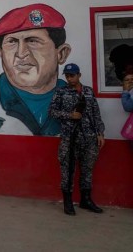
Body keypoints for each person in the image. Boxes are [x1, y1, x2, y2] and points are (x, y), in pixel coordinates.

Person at [0, 3, 71, 136]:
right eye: (12, 42)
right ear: (1, 53)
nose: (21, 53)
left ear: (61, 54)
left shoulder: (71, 96)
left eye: (33, 41)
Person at [49, 63, 105, 216]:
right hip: (70, 138)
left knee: (87, 169)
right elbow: (52, 112)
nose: (69, 78)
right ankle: (68, 202)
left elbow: (96, 113)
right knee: (68, 170)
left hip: (89, 137)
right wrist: (69, 115)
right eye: (67, 76)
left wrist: (100, 133)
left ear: (79, 75)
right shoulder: (61, 92)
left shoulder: (88, 91)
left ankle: (86, 200)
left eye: (72, 75)